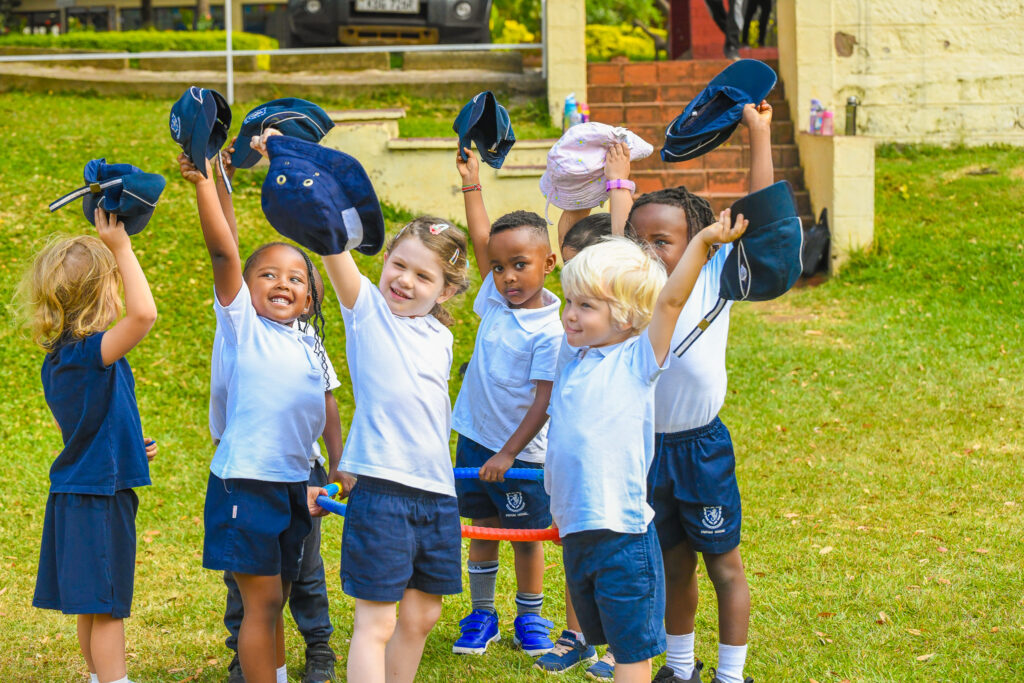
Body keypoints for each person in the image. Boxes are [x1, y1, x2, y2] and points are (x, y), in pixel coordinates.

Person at [547, 206, 748, 683]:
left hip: (622, 536)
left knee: (632, 652)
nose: (570, 314)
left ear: (626, 317)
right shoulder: (573, 359)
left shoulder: (637, 360)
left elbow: (669, 303)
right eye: (568, 301)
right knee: (612, 642)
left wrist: (702, 245)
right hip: (578, 534)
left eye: (586, 306)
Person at [630, 101, 773, 683]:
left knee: (724, 566)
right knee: (671, 564)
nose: (647, 251)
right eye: (639, 240)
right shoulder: (628, 289)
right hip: (645, 448)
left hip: (701, 448)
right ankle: (681, 667)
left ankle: (730, 675)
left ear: (700, 242)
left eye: (662, 240)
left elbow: (762, 216)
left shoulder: (716, 276)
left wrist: (758, 133)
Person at [179, 149, 332, 683]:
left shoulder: (309, 341)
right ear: (245, 290)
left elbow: (327, 408)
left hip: (294, 481)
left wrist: (334, 469)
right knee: (261, 602)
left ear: (311, 297)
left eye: (295, 277)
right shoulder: (242, 327)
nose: (282, 283)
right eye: (267, 275)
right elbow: (226, 252)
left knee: (280, 595)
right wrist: (207, 182)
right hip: (247, 482)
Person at [320, 216, 470, 683]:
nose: (405, 280)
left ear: (445, 291)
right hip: (384, 490)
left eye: (424, 276)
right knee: (378, 621)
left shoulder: (441, 337)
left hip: (437, 492)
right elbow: (330, 245)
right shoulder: (367, 312)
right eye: (399, 265)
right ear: (384, 261)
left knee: (423, 616)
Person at [24, 210, 158, 683]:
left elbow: (89, 423)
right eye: (115, 285)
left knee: (92, 608)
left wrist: (127, 447)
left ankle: (99, 678)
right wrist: (121, 247)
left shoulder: (64, 359)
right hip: (98, 496)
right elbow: (145, 316)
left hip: (82, 488)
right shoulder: (90, 355)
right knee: (108, 608)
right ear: (101, 296)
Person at [449, 148, 562, 658]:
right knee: (483, 530)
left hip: (521, 453)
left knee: (526, 534)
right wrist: (473, 183)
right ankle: (481, 614)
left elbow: (543, 402)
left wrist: (509, 454)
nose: (507, 277)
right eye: (499, 269)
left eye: (520, 265)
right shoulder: (495, 299)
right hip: (475, 439)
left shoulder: (552, 329)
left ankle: (531, 618)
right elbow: (481, 242)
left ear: (549, 263)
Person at [534, 142, 634, 679]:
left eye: (583, 287)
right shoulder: (574, 336)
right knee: (575, 540)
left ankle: (620, 646)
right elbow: (572, 238)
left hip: (621, 461)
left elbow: (621, 262)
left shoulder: (624, 338)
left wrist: (619, 188)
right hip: (571, 470)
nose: (568, 297)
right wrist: (576, 175)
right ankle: (578, 635)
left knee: (616, 558)